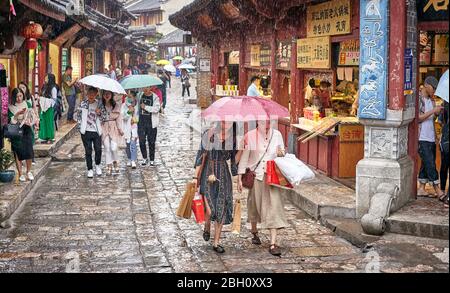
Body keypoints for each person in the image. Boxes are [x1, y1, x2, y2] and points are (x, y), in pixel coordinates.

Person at [237, 120, 288, 256]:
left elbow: (282, 153)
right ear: (258, 122)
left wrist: (281, 152)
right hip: (256, 177)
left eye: (268, 121)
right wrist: (239, 179)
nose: (266, 124)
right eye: (263, 121)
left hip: (272, 178)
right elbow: (244, 158)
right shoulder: (250, 136)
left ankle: (273, 243)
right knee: (254, 206)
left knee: (274, 206)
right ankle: (254, 232)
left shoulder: (277, 134)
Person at [192, 122, 238, 254]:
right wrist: (195, 177)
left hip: (224, 176)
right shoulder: (209, 134)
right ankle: (207, 225)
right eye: (223, 120)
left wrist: (242, 150)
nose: (225, 123)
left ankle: (216, 242)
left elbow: (234, 163)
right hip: (208, 173)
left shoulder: (233, 139)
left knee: (221, 209)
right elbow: (200, 157)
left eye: (228, 121)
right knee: (211, 210)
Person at [417, 76, 445, 198]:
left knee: (426, 162)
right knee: (430, 164)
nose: (434, 92)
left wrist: (436, 136)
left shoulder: (432, 100)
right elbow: (418, 118)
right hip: (421, 137)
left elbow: (431, 121)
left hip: (430, 137)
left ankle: (421, 188)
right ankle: (437, 189)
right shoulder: (418, 99)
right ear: (426, 85)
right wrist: (433, 111)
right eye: (433, 89)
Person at [8, 88, 36, 182]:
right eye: (17, 96)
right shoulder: (10, 107)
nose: (19, 98)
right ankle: (20, 173)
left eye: (20, 96)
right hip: (16, 130)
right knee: (18, 152)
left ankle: (28, 171)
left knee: (28, 151)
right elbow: (11, 121)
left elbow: (32, 115)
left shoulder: (27, 104)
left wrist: (30, 121)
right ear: (13, 97)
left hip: (26, 129)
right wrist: (17, 114)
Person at [77, 87, 103, 178]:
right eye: (90, 93)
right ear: (87, 94)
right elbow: (78, 116)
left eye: (93, 93)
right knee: (88, 151)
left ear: (96, 94)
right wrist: (80, 129)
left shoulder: (99, 104)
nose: (91, 95)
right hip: (86, 131)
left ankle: (98, 165)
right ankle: (90, 169)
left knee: (98, 149)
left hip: (96, 131)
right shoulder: (83, 104)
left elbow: (103, 118)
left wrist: (99, 113)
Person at [100, 91, 123, 175]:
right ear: (102, 95)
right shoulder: (100, 105)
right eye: (105, 93)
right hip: (104, 127)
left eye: (108, 93)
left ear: (111, 95)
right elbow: (97, 117)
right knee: (107, 147)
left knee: (113, 147)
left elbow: (119, 118)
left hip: (113, 127)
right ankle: (109, 165)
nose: (107, 95)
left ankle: (115, 162)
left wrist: (120, 129)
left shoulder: (116, 105)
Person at [137, 86, 161, 166]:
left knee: (151, 142)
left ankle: (152, 159)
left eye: (147, 87)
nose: (145, 89)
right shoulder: (139, 95)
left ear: (150, 87)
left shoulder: (155, 97)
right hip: (141, 122)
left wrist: (146, 107)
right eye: (144, 87)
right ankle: (144, 158)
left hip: (151, 123)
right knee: (141, 141)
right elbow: (134, 103)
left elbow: (156, 109)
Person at [18, 82, 37, 164]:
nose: (22, 89)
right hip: (21, 122)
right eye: (20, 87)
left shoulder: (30, 97)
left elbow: (34, 108)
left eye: (23, 87)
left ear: (26, 88)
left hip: (30, 121)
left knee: (31, 139)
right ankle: (21, 158)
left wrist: (36, 120)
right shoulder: (18, 98)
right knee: (21, 140)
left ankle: (31, 158)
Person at [38, 74, 58, 144]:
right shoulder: (44, 86)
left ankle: (50, 137)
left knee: (49, 122)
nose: (45, 79)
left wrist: (46, 102)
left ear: (50, 79)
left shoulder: (53, 88)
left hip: (49, 107)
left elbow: (54, 99)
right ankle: (44, 137)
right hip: (43, 107)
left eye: (46, 78)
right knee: (43, 121)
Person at [122, 91, 139, 169]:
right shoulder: (124, 106)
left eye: (131, 96)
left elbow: (139, 117)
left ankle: (133, 160)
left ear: (134, 97)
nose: (129, 98)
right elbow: (123, 117)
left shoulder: (137, 105)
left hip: (134, 127)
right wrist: (129, 112)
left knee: (133, 144)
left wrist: (135, 120)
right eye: (128, 96)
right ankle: (129, 158)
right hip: (127, 127)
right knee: (127, 145)